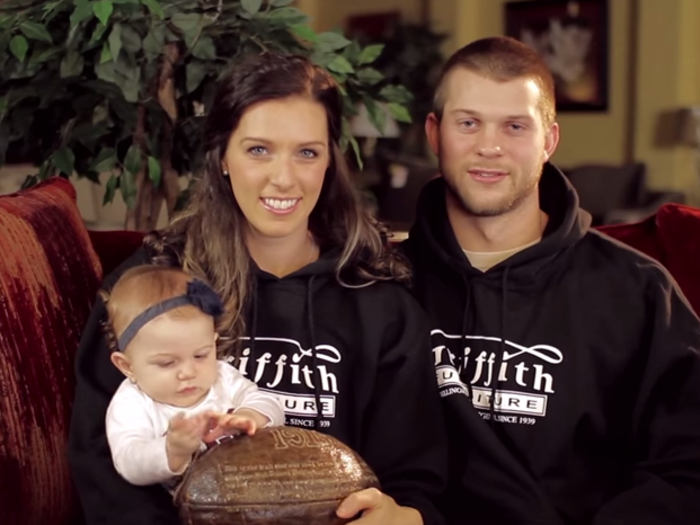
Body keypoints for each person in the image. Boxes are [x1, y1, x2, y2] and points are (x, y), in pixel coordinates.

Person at [68, 52, 447, 525]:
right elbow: (100, 461)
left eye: (307, 152)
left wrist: (404, 515)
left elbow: (416, 476)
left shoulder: (379, 300)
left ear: (330, 162)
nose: (283, 178)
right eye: (258, 150)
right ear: (222, 157)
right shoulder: (153, 286)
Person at [402, 36, 700, 525]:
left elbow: (688, 468)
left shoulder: (636, 289)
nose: (489, 146)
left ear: (549, 141)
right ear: (435, 134)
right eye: (468, 123)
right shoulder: (382, 283)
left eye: (515, 126)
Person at [101, 265, 285, 487]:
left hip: (252, 489)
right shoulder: (133, 403)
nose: (188, 373)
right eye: (167, 363)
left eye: (200, 355)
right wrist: (172, 450)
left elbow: (269, 403)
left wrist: (249, 416)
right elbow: (128, 463)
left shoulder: (223, 377)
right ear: (127, 366)